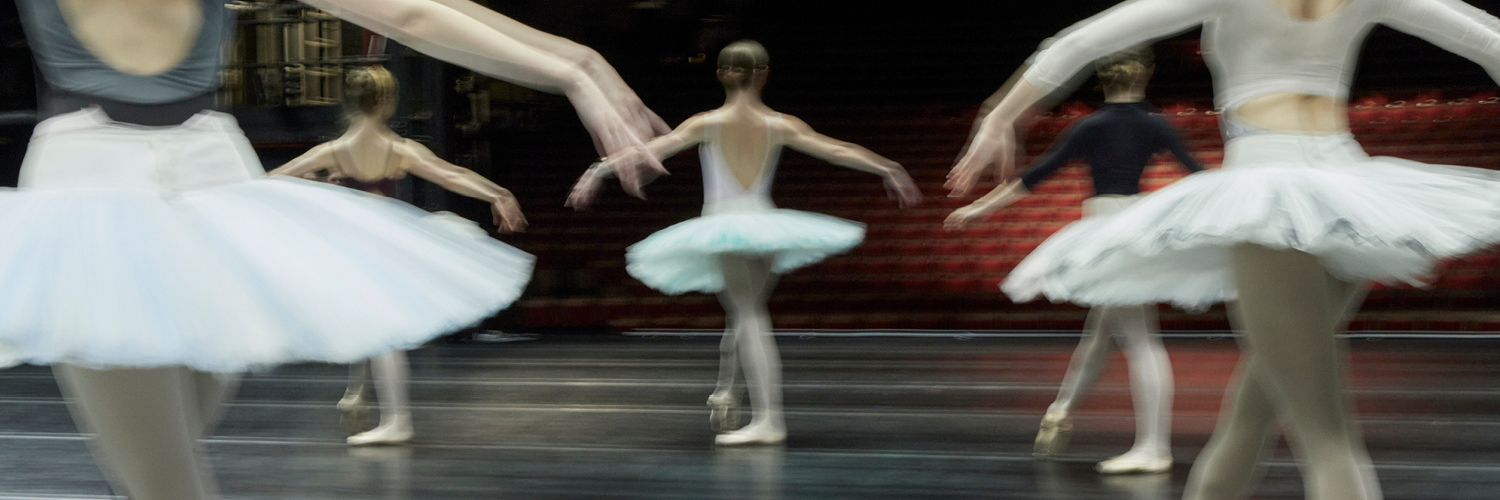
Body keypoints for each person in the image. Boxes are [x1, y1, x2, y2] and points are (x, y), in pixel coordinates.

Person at [8, 0, 663, 497]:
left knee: (160, 475)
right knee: (165, 477)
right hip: (195, 202)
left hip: (139, 192)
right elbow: (414, 11)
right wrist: (575, 65)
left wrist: (578, 64)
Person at [947, 0, 1500, 498]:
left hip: (1270, 192)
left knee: (1326, 437)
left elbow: (1079, 42)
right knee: (1252, 416)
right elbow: (1487, 39)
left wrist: (998, 114)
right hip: (1351, 196)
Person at [567, 40, 922, 445]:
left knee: (749, 315)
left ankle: (770, 419)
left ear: (720, 75)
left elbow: (649, 152)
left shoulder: (706, 123)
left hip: (724, 226)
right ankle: (726, 390)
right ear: (764, 74)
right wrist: (887, 166)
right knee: (745, 314)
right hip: (766, 225)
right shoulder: (781, 124)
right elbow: (836, 150)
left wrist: (598, 171)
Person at [947, 46, 1202, 474]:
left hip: (1102, 228)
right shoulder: (1157, 124)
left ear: (1101, 78)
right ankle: (1060, 411)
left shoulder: (1089, 126)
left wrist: (977, 208)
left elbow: (1033, 177)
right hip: (1138, 226)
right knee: (1102, 334)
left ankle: (1154, 447)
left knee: (1139, 339)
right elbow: (1197, 173)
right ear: (1149, 74)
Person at [269, 65, 528, 445]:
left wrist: (308, 185)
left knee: (376, 326)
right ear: (386, 102)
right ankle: (362, 396)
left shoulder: (332, 151)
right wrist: (498, 193)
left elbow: (273, 179)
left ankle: (395, 419)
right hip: (385, 245)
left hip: (349, 246)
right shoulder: (399, 150)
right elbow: (452, 175)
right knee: (371, 321)